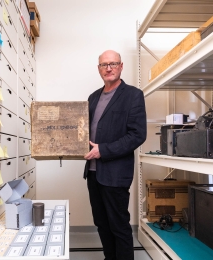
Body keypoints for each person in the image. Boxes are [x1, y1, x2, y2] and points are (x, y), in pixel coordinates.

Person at [83, 50, 147, 260]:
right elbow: (85, 131)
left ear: (121, 66)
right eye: (104, 65)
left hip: (116, 173)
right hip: (93, 173)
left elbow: (137, 135)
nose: (108, 68)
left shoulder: (133, 95)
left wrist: (104, 150)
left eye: (113, 64)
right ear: (98, 69)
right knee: (101, 223)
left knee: (118, 226)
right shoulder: (92, 97)